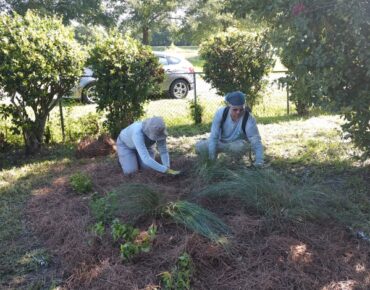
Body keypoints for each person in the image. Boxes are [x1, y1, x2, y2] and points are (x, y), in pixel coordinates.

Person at [195, 91, 264, 166]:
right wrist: (212, 160)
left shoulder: (249, 118)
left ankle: (236, 161)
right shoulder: (220, 113)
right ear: (229, 106)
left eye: (241, 109)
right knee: (199, 147)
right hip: (220, 143)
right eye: (235, 109)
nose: (238, 112)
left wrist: (259, 161)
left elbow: (255, 140)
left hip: (236, 145)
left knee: (241, 147)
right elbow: (214, 137)